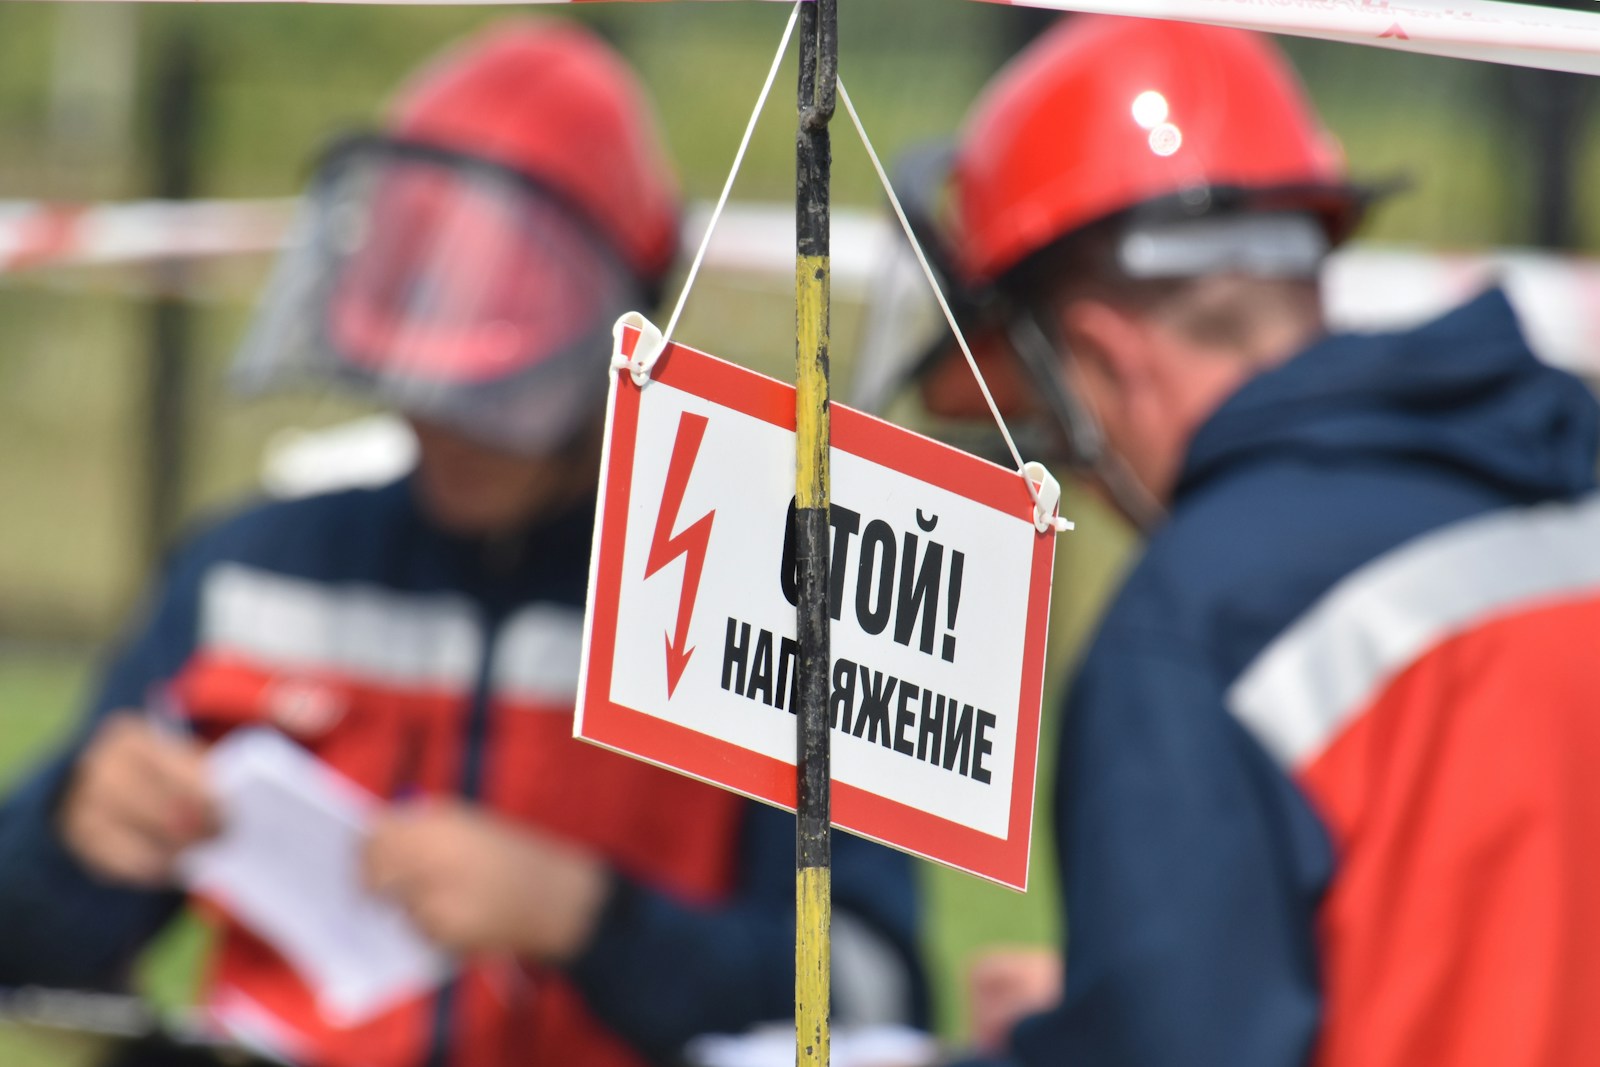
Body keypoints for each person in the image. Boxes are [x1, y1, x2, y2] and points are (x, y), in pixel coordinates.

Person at [0, 20, 925, 1067]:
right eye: (410, 374)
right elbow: (32, 948)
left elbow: (879, 993)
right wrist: (72, 838)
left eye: (501, 390)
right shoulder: (248, 576)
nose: (445, 425)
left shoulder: (769, 610)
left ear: (622, 333)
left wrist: (589, 917)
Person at [905, 14, 1600, 1067]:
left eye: (1050, 417)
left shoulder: (1196, 628)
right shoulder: (1558, 480)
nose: (1081, 478)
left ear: (1099, 352)